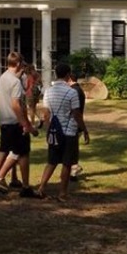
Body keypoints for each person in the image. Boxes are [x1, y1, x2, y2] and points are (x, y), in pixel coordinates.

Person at [0, 52, 42, 198]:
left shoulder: (3, 77)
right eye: (21, 64)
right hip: (14, 122)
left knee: (3, 151)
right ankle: (26, 187)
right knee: (23, 153)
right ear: (17, 64)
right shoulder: (15, 82)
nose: (22, 66)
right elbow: (16, 105)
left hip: (4, 121)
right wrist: (26, 125)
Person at [36, 63, 90, 201]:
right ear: (68, 75)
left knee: (52, 161)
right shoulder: (72, 92)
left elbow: (46, 113)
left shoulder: (48, 91)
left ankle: (41, 187)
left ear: (55, 74)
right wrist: (84, 130)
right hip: (69, 131)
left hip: (55, 131)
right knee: (67, 163)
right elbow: (77, 114)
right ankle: (62, 193)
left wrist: (49, 130)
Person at [68, 69, 87, 181]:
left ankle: (74, 168)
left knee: (71, 148)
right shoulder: (77, 90)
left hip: (74, 123)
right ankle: (73, 170)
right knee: (73, 148)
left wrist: (83, 128)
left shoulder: (74, 91)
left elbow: (76, 111)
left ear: (70, 79)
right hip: (76, 123)